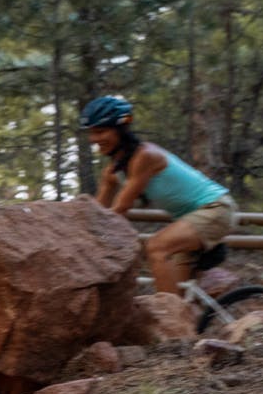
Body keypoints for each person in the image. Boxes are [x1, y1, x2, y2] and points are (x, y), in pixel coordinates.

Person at [81, 95, 237, 296]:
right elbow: (98, 212)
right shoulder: (112, 172)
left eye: (101, 131)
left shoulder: (145, 156)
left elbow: (119, 210)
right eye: (91, 133)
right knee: (177, 297)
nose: (94, 139)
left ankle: (167, 317)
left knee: (156, 247)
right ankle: (187, 322)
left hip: (216, 209)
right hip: (192, 218)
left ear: (121, 130)